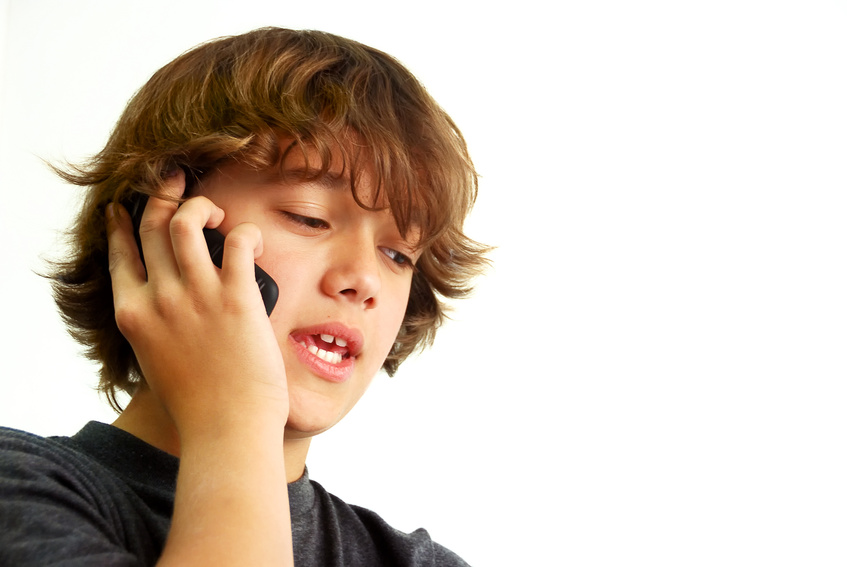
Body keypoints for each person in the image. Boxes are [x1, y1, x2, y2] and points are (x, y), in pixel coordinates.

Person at [0, 27, 488, 566]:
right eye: (309, 216)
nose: (365, 279)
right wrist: (235, 414)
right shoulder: (19, 489)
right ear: (159, 227)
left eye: (399, 255)